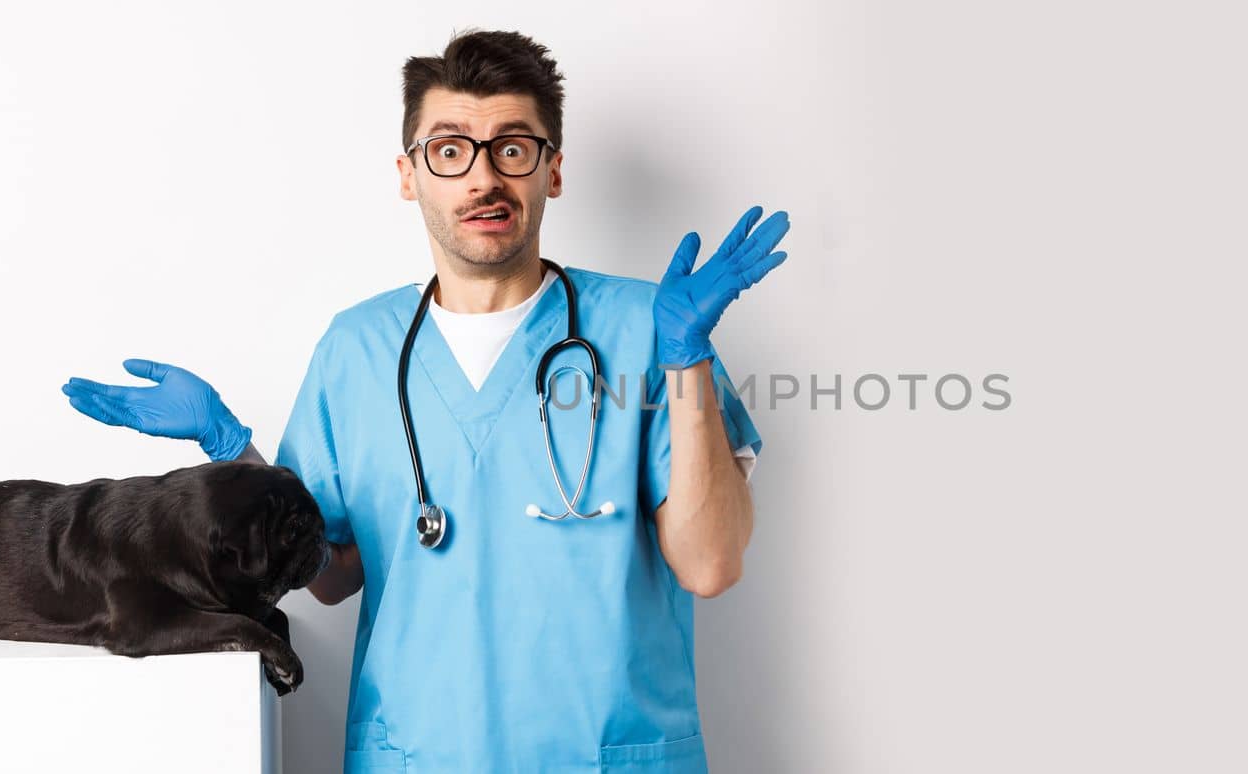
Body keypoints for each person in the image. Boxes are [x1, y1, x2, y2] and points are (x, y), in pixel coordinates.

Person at [59, 29, 787, 774]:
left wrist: (687, 360)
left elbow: (710, 564)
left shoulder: (647, 329)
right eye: (449, 150)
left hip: (605, 755)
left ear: (553, 170)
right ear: (410, 175)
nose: (482, 178)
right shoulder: (356, 350)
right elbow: (331, 575)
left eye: (512, 147)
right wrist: (229, 447)